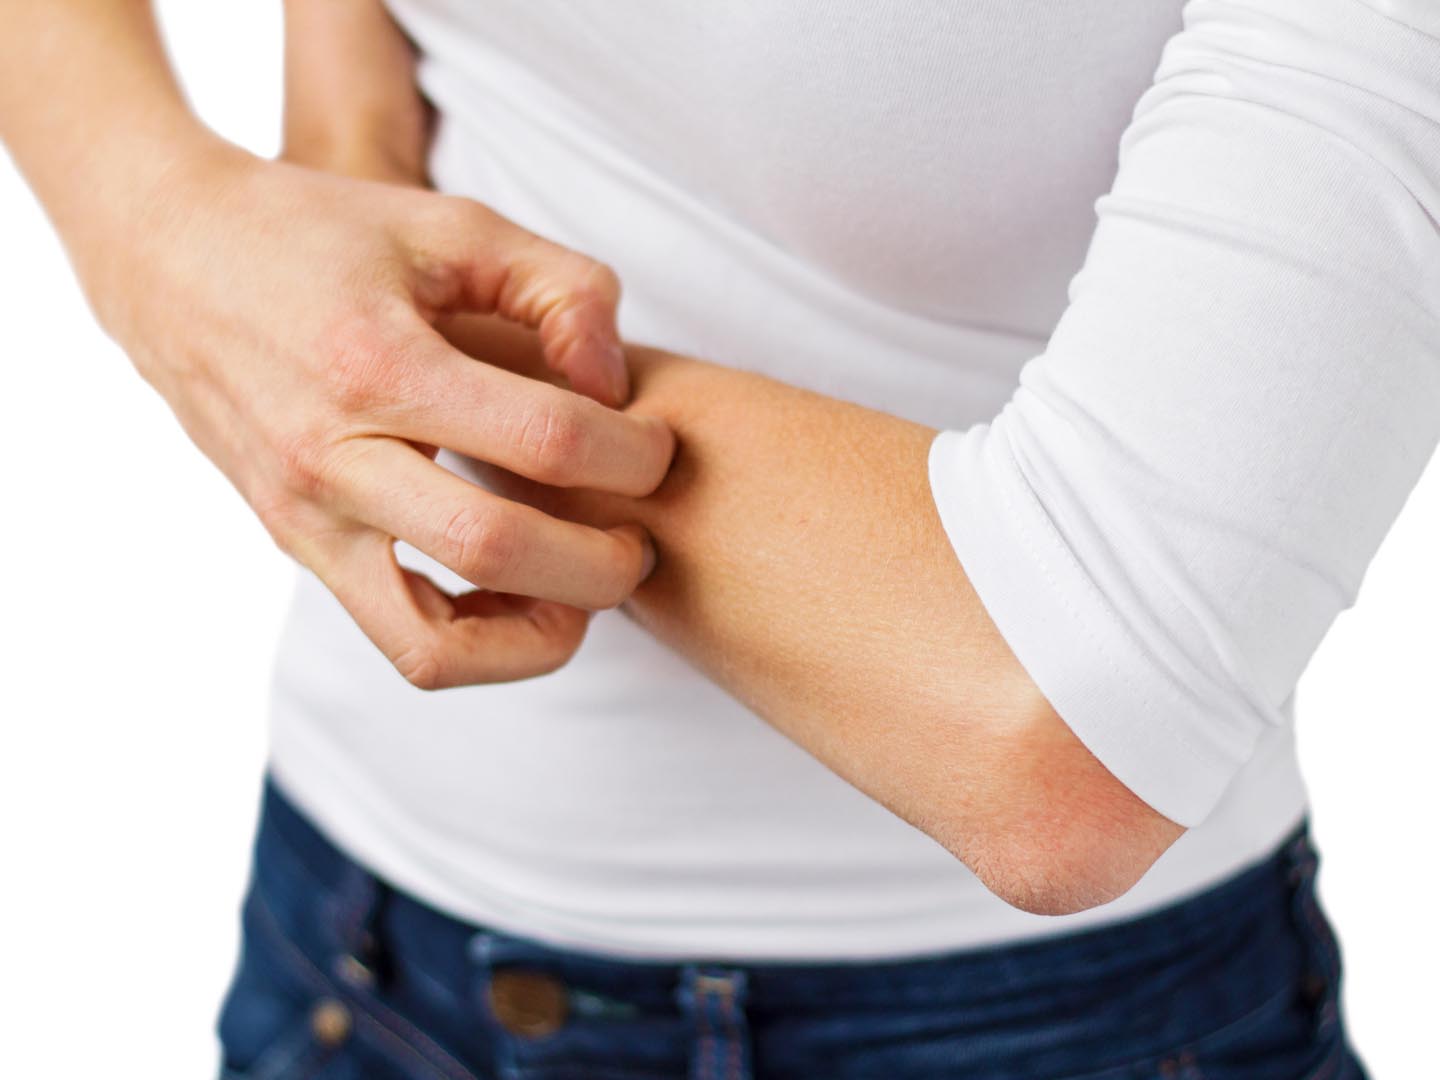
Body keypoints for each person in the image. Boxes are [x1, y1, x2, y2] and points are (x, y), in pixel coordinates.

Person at [4, 0, 1435, 1075]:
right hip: (355, 937)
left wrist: (338, 347)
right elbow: (345, 154)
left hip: (1051, 1022)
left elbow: (1060, 721)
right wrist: (166, 223)